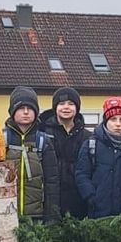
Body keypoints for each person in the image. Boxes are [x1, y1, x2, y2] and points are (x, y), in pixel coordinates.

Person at [3, 87, 59, 223]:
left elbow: (52, 182)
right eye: (21, 108)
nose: (26, 112)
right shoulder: (2, 139)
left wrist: (51, 217)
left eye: (30, 108)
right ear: (12, 111)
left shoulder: (43, 141)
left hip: (36, 217)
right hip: (6, 214)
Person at [39, 86, 88, 219]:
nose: (66, 107)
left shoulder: (87, 137)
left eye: (71, 104)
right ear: (55, 107)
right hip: (50, 198)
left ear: (77, 108)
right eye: (61, 103)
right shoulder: (43, 133)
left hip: (79, 199)